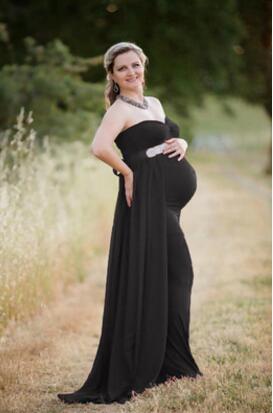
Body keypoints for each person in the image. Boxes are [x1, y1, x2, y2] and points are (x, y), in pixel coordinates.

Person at [57, 41, 203, 405]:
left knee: (171, 276)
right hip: (151, 201)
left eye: (136, 65)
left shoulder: (152, 103)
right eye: (123, 68)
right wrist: (127, 173)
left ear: (143, 67)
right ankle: (168, 364)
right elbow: (99, 147)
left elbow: (167, 136)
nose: (132, 72)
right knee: (179, 274)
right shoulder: (118, 109)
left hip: (169, 201)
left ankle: (173, 362)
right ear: (113, 75)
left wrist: (181, 140)